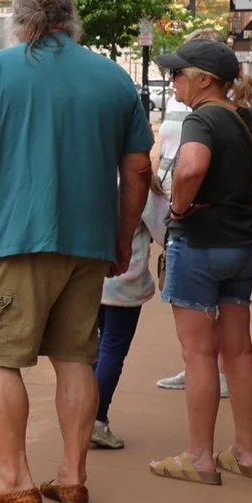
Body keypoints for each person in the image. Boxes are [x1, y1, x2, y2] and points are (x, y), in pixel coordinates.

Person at [0, 0, 152, 503]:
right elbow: (139, 168)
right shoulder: (113, 77)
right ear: (70, 20)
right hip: (88, 243)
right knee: (76, 356)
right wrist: (122, 237)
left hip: (16, 239)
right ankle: (72, 476)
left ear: (21, 21)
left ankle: (13, 478)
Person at [149, 35, 252, 485]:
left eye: (178, 73)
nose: (173, 81)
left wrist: (177, 209)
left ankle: (199, 458)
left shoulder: (202, 120)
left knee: (198, 353)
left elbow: (192, 168)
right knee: (238, 348)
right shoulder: (249, 119)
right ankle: (245, 454)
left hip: (199, 246)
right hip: (243, 246)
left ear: (203, 80)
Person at [90, 181, 169, 450]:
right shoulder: (140, 183)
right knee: (112, 348)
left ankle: (80, 415)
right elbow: (165, 231)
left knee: (93, 349)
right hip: (124, 279)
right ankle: (95, 421)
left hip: (87, 272)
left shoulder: (89, 166)